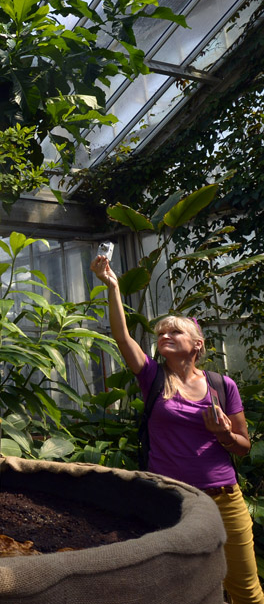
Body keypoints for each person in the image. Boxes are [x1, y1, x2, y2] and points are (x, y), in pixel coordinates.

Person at [91, 253, 263, 604]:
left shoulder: (222, 384)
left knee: (245, 592)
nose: (165, 335)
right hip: (171, 499)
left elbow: (243, 447)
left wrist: (223, 434)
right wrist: (113, 287)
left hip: (223, 499)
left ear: (197, 345)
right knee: (179, 591)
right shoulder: (152, 377)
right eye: (161, 332)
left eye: (175, 331)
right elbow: (123, 338)